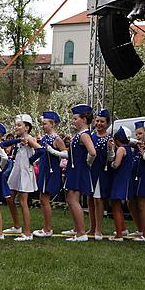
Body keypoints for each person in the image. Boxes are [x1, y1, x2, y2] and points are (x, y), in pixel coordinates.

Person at [2, 114, 41, 241]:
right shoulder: (20, 139)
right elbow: (4, 144)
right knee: (9, 198)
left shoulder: (29, 139)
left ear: (27, 127)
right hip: (17, 170)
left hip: (25, 171)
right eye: (16, 125)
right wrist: (19, 140)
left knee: (23, 202)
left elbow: (41, 151)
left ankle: (28, 233)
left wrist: (31, 160)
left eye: (19, 125)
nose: (16, 127)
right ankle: (17, 225)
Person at [63, 104, 97, 242]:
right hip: (75, 168)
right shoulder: (80, 135)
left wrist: (86, 163)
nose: (73, 121)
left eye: (76, 118)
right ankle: (78, 231)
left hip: (78, 170)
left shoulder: (84, 135)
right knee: (71, 200)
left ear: (84, 119)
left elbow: (93, 152)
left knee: (73, 200)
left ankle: (81, 233)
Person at [31, 111, 67, 238]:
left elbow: (66, 154)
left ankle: (48, 229)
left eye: (45, 124)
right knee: (42, 199)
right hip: (44, 169)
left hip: (51, 172)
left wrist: (53, 151)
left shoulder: (57, 139)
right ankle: (46, 227)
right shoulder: (45, 138)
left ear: (52, 124)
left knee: (45, 199)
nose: (43, 126)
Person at [88, 109, 113, 240]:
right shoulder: (90, 136)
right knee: (90, 199)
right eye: (97, 121)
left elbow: (110, 159)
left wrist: (110, 149)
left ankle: (98, 229)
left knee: (98, 199)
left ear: (107, 123)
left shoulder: (110, 138)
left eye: (102, 121)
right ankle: (92, 228)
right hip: (90, 170)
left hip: (102, 171)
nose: (99, 123)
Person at [107, 126, 134, 241]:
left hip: (120, 179)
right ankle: (122, 229)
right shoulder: (128, 148)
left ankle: (119, 235)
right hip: (125, 178)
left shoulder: (121, 149)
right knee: (118, 206)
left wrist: (111, 163)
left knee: (116, 206)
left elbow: (116, 164)